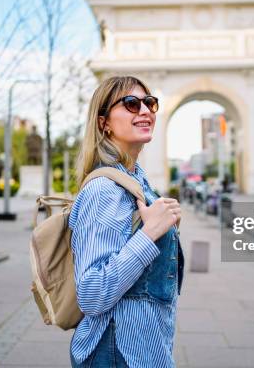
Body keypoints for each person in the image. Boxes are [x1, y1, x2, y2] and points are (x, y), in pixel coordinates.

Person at [69, 76, 184, 367]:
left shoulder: (138, 182)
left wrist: (164, 231)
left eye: (150, 103)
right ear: (103, 122)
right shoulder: (104, 189)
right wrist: (150, 234)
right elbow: (92, 294)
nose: (145, 111)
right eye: (131, 104)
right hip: (118, 352)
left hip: (146, 348)